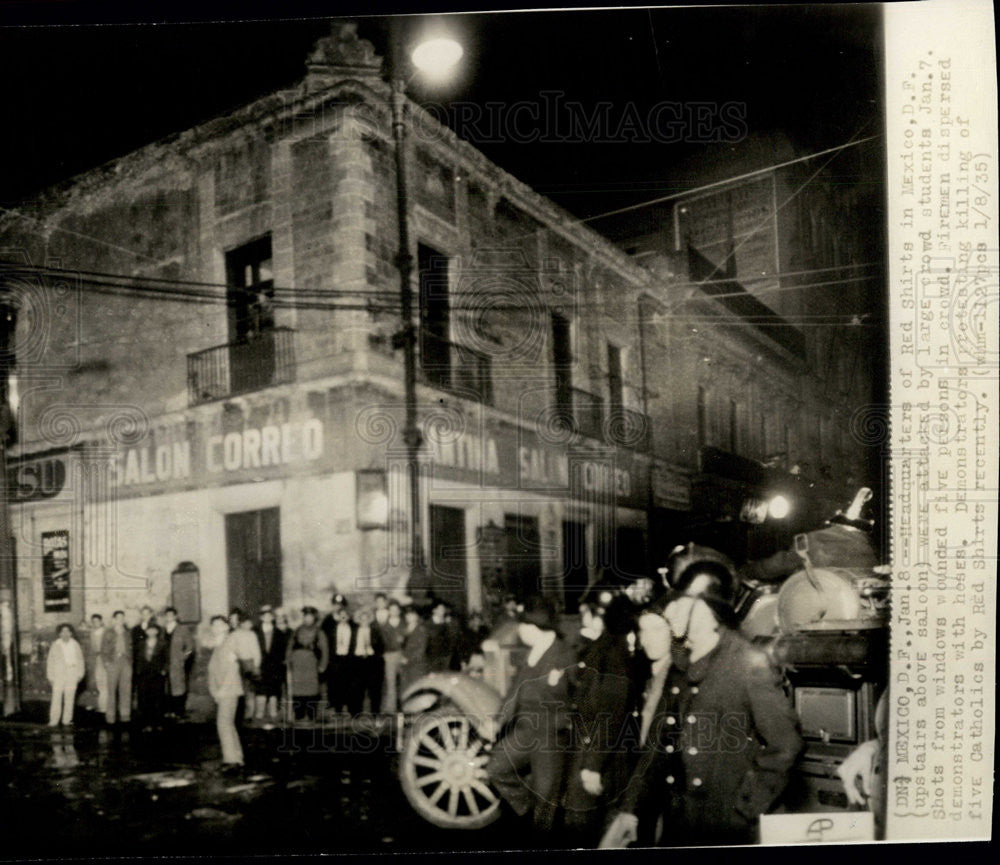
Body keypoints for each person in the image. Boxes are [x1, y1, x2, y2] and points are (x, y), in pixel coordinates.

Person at [602, 549, 803, 848]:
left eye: (680, 606)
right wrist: (630, 811)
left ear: (709, 611)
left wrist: (745, 808)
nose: (670, 614)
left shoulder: (747, 663)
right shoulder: (682, 661)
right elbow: (658, 745)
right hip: (681, 822)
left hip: (726, 826)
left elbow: (785, 745)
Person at [486, 595, 578, 841]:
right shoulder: (532, 653)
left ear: (535, 627)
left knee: (546, 798)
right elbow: (514, 693)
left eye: (523, 625)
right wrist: (497, 722)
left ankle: (542, 840)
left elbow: (581, 695)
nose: (519, 630)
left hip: (550, 735)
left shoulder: (565, 654)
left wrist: (569, 726)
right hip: (526, 729)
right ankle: (526, 807)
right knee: (496, 768)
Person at [563, 595, 641, 844]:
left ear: (601, 616)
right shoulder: (603, 648)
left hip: (597, 753)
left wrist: (593, 766)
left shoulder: (612, 654)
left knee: (584, 826)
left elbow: (612, 713)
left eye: (586, 614)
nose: (582, 620)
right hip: (591, 747)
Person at [206, 615, 244, 772]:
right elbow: (212, 670)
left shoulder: (229, 643)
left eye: (219, 625)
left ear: (226, 627)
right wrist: (214, 690)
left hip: (229, 690)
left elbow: (233, 670)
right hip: (221, 691)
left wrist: (222, 691)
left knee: (223, 724)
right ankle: (236, 758)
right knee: (227, 724)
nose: (215, 628)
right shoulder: (218, 645)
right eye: (213, 625)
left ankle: (231, 761)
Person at [286, 607, 328, 722]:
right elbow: (290, 647)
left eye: (310, 617)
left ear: (314, 618)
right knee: (298, 690)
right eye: (306, 617)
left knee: (311, 690)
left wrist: (323, 665)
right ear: (303, 618)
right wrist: (288, 661)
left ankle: (311, 715)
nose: (308, 619)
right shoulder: (297, 631)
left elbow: (324, 650)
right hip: (298, 665)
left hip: (311, 664)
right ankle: (299, 714)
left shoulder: (319, 632)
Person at [46, 624, 85, 727]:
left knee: (70, 698)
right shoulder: (55, 645)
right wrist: (50, 676)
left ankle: (67, 720)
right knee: (56, 698)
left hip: (72, 673)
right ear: (59, 633)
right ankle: (53, 720)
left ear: (71, 633)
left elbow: (80, 660)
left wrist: (80, 674)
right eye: (63, 631)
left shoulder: (75, 644)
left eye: (68, 631)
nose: (65, 633)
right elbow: (50, 661)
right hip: (58, 674)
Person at [254, 605, 287, 725]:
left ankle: (273, 714)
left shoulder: (279, 632)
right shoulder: (255, 631)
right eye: (264, 615)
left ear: (272, 617)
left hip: (274, 666)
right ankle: (259, 714)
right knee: (260, 689)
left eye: (269, 615)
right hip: (260, 665)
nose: (267, 617)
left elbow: (282, 650)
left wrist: (280, 663)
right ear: (261, 617)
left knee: (274, 690)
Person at [100, 610, 133, 726]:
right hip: (113, 662)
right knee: (111, 690)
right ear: (114, 619)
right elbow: (103, 650)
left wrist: (130, 662)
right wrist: (107, 664)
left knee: (126, 689)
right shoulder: (108, 632)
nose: (120, 620)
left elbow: (132, 648)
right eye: (118, 618)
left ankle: (125, 715)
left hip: (125, 662)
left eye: (122, 618)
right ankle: (110, 716)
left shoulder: (128, 633)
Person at [162, 606, 195, 719]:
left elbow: (190, 647)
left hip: (177, 663)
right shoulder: (162, 630)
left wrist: (183, 657)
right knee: (167, 687)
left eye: (171, 615)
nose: (169, 617)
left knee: (179, 687)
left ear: (175, 616)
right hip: (164, 663)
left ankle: (179, 712)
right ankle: (168, 711)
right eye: (167, 615)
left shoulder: (182, 629)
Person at [134, 622, 168, 731]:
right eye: (149, 630)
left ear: (157, 632)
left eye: (154, 630)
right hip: (144, 675)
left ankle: (158, 723)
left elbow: (167, 659)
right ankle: (146, 723)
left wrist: (164, 670)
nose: (151, 632)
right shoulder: (141, 643)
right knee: (144, 699)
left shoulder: (162, 643)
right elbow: (137, 659)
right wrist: (138, 672)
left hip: (157, 674)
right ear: (146, 631)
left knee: (158, 699)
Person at [351, 607, 384, 715]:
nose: (364, 621)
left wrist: (374, 654)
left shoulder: (375, 632)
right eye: (362, 619)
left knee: (374, 688)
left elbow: (381, 646)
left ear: (369, 620)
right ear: (358, 620)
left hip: (372, 661)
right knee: (357, 687)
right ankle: (356, 712)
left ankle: (375, 712)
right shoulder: (353, 632)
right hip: (358, 661)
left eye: (366, 619)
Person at [325, 606, 357, 714]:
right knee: (337, 684)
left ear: (349, 617)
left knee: (350, 685)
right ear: (337, 617)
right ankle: (338, 709)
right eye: (341, 615)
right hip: (336, 659)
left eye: (345, 615)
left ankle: (351, 709)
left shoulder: (354, 628)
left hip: (349, 659)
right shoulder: (332, 629)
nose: (343, 617)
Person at [378, 600, 405, 712]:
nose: (394, 612)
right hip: (389, 655)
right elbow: (382, 642)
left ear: (399, 611)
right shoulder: (384, 626)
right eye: (392, 609)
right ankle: (391, 708)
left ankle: (405, 707)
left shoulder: (404, 624)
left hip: (403, 654)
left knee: (404, 681)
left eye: (396, 609)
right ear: (389, 611)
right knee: (391, 682)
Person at [399, 605, 429, 693]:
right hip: (404, 666)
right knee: (405, 690)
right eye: (407, 615)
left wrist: (408, 659)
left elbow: (421, 649)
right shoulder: (403, 630)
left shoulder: (421, 630)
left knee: (416, 689)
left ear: (416, 616)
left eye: (411, 614)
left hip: (417, 664)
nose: (409, 617)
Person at [426, 600, 460, 672]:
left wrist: (449, 625)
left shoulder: (447, 622)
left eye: (443, 609)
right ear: (434, 610)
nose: (443, 611)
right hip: (432, 657)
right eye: (440, 609)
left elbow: (453, 637)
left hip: (445, 656)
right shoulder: (428, 624)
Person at [87, 613, 108, 717]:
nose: (95, 623)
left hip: (104, 660)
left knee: (104, 684)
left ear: (101, 621)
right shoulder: (91, 633)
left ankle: (104, 707)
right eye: (93, 621)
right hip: (95, 660)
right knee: (95, 683)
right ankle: (97, 705)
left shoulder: (106, 632)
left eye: (97, 621)